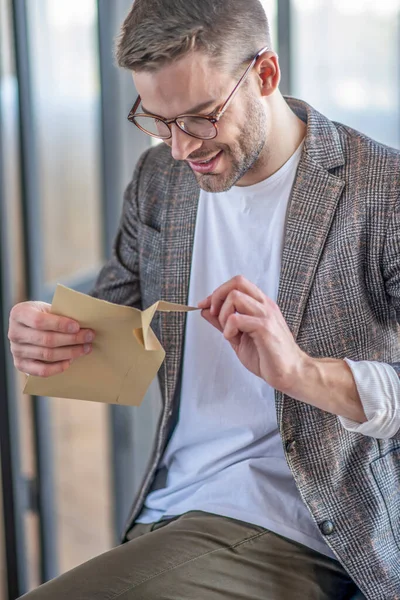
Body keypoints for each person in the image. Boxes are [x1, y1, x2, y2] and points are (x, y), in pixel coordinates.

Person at [8, 0, 400, 598]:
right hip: (168, 508)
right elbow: (106, 336)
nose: (180, 149)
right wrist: (46, 334)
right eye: (158, 120)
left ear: (266, 74)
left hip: (308, 525)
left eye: (199, 117)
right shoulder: (158, 181)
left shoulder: (383, 192)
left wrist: (300, 372)